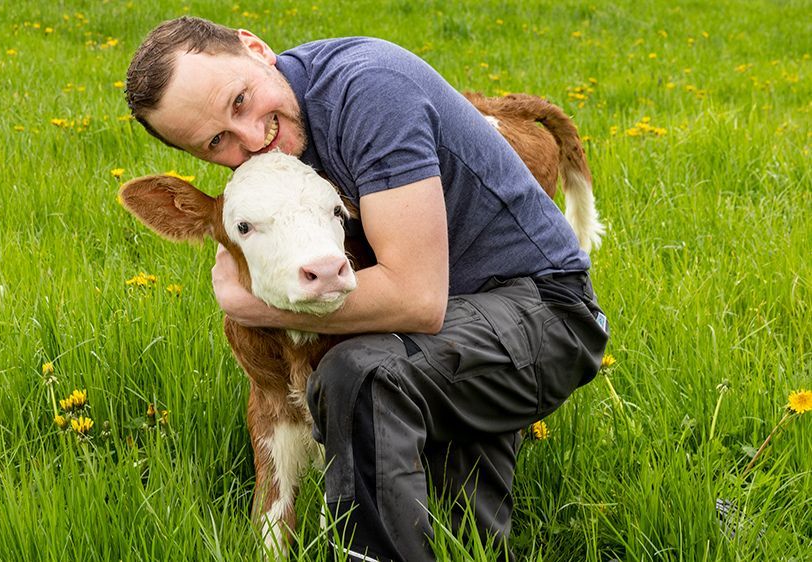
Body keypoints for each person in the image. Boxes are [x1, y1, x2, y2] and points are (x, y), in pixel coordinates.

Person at [125, 16, 609, 561]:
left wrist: (255, 305)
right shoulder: (280, 151)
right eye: (217, 140)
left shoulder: (367, 91)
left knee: (359, 374)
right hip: (459, 326)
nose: (253, 138)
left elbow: (417, 300)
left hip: (545, 312)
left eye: (241, 101)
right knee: (462, 542)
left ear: (257, 48)